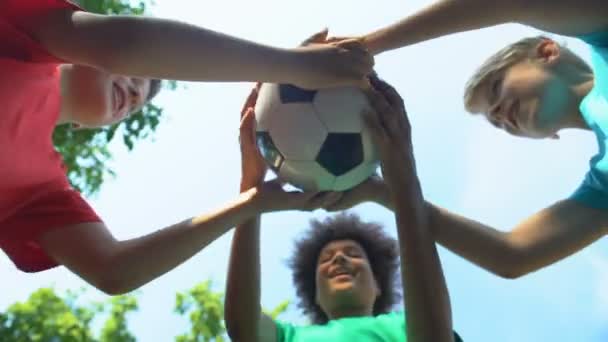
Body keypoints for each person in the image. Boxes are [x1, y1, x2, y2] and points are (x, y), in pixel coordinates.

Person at [0, 0, 373, 294]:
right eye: (134, 76)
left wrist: (251, 202)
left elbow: (114, 271)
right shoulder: (27, 32)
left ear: (87, 127)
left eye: (136, 104)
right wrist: (291, 66)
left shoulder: (45, 189)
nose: (133, 93)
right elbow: (126, 44)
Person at [323, 0, 608, 279]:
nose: (499, 114)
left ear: (546, 52)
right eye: (497, 124)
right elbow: (513, 254)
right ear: (548, 136)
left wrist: (363, 48)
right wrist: (384, 192)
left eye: (497, 88)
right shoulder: (603, 184)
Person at [223, 77, 464, 341]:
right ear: (314, 293)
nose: (339, 259)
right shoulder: (289, 335)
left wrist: (404, 185)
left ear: (378, 285)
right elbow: (242, 328)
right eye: (326, 259)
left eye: (353, 253)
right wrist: (251, 190)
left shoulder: (403, 326)